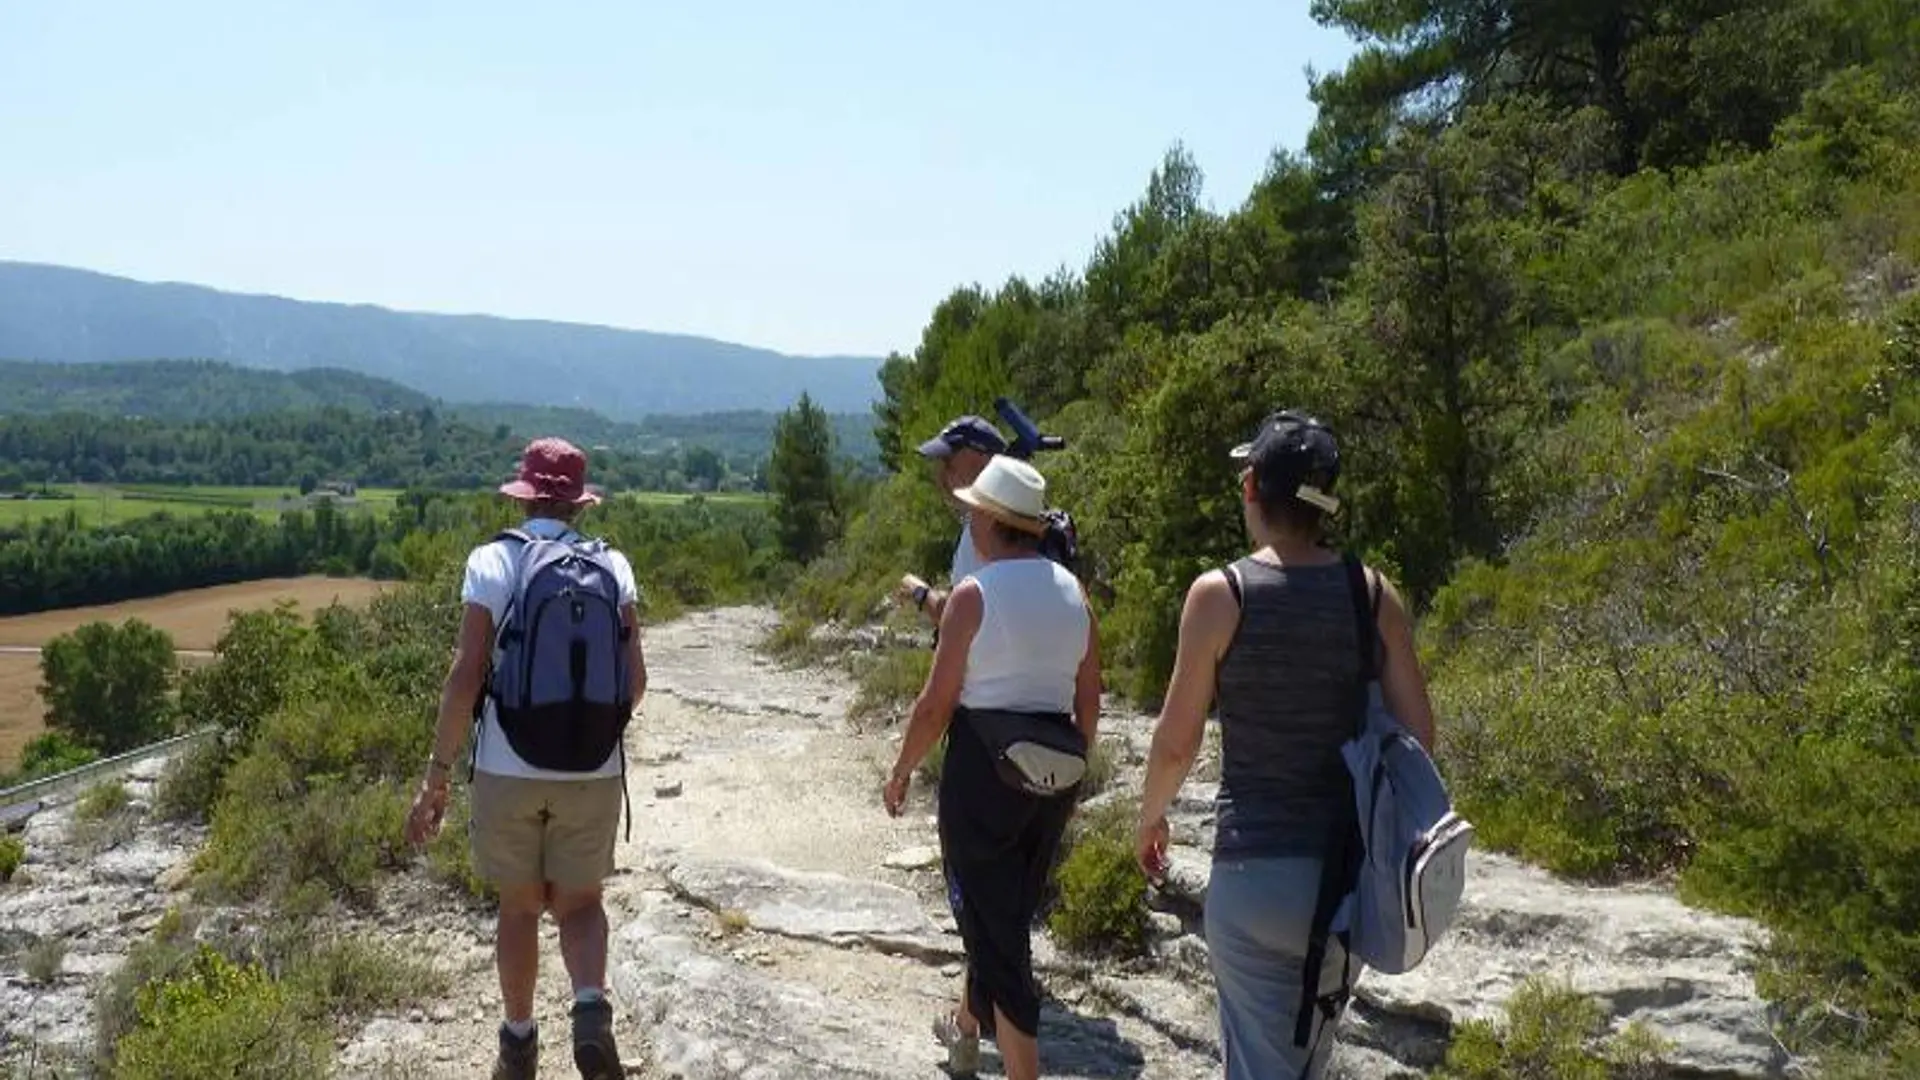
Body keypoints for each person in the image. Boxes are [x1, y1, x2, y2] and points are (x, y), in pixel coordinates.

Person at [1134, 411, 1437, 1080]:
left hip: (1254, 872)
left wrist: (1151, 816)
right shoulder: (1374, 595)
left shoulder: (1221, 594)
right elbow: (1419, 739)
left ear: (1250, 488)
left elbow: (1176, 743)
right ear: (1325, 500)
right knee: (1305, 1061)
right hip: (1346, 881)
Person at [404, 436, 647, 1080]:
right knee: (582, 903)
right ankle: (590, 1010)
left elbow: (466, 674)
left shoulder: (493, 561)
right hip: (593, 767)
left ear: (526, 494)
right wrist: (589, 733)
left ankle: (518, 1043)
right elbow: (637, 679)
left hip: (508, 766)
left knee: (519, 906)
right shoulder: (613, 566)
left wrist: (437, 775)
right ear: (577, 503)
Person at [883, 454, 1102, 1080]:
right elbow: (1090, 697)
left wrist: (901, 771)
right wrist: (1070, 774)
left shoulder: (974, 596)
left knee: (998, 931)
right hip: (1053, 771)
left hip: (982, 770)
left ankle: (1020, 1069)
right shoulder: (1074, 593)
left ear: (990, 520)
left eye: (973, 510)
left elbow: (935, 705)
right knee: (1002, 911)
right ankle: (965, 1030)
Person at [894, 415, 1010, 624]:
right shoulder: (1018, 515)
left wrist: (919, 592)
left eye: (948, 462)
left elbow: (958, 618)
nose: (940, 474)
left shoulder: (982, 530)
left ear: (982, 462)